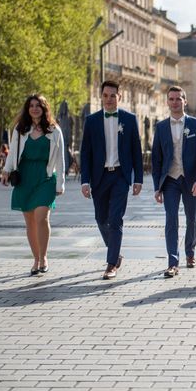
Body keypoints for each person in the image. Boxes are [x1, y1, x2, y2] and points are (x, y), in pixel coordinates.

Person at [80, 80, 143, 280]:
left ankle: (110, 264)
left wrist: (138, 179)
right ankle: (115, 254)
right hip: (99, 177)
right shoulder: (91, 121)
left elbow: (136, 151)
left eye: (113, 96)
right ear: (101, 96)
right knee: (101, 219)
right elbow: (86, 153)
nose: (109, 99)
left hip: (120, 177)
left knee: (116, 220)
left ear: (120, 97)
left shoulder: (130, 119)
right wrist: (84, 181)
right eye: (105, 95)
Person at [0, 94, 65, 275]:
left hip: (45, 178)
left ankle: (43, 257)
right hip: (25, 178)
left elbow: (60, 160)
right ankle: (36, 259)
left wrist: (60, 184)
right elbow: (13, 153)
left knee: (41, 218)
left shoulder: (54, 131)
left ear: (44, 109)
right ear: (27, 109)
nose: (35, 108)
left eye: (39, 105)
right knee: (30, 222)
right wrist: (6, 170)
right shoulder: (20, 130)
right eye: (31, 105)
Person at [152, 86, 196, 276]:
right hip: (170, 180)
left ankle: (190, 252)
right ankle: (172, 262)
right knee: (171, 219)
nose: (175, 102)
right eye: (171, 99)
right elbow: (157, 160)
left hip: (190, 179)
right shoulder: (160, 128)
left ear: (185, 101)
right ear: (167, 102)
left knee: (192, 219)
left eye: (178, 99)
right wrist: (157, 187)